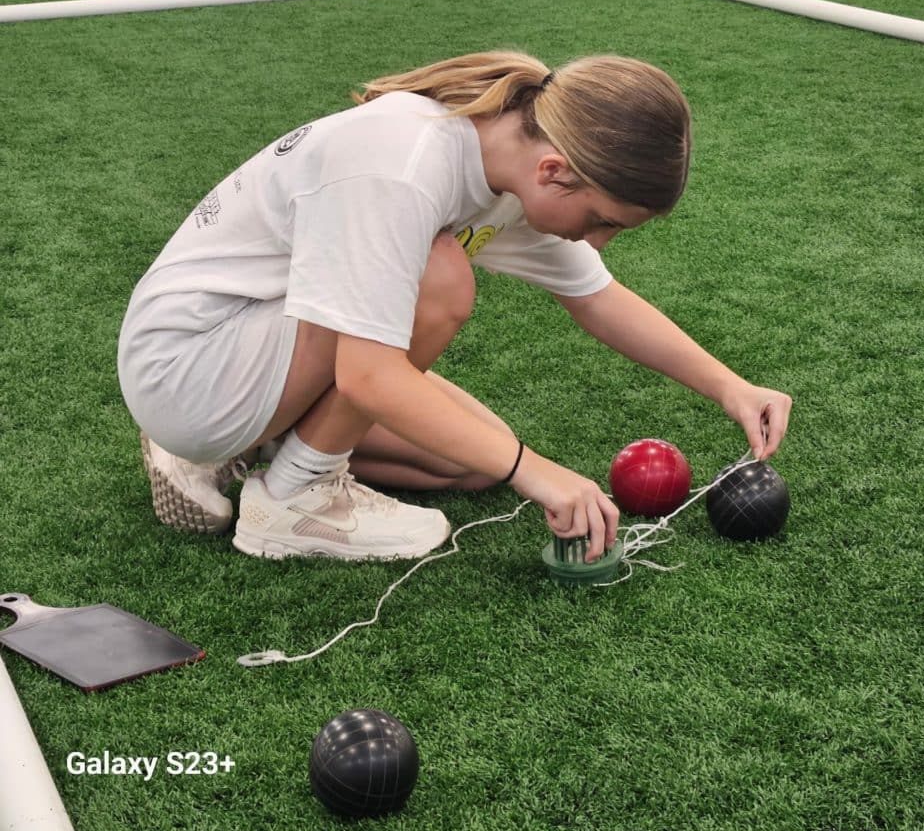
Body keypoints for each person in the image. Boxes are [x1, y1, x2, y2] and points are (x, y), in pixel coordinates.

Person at [118, 51, 792, 566]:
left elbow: (597, 297)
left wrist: (729, 387)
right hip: (190, 367)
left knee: (471, 461)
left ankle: (246, 449)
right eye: (603, 221)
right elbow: (368, 377)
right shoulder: (403, 162)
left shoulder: (511, 161)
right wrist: (539, 473)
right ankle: (291, 499)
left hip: (253, 353)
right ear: (556, 172)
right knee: (440, 280)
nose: (597, 241)